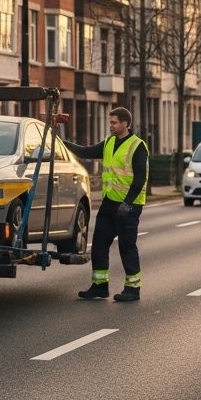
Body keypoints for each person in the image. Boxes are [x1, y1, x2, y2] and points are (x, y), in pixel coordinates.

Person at [63, 107, 148, 302]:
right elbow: (86, 151)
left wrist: (127, 203)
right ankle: (100, 286)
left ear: (125, 124)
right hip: (109, 202)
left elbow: (140, 178)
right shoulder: (109, 142)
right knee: (99, 244)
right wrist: (62, 142)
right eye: (110, 122)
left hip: (129, 205)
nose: (111, 126)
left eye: (114, 122)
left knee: (127, 246)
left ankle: (133, 289)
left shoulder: (138, 146)